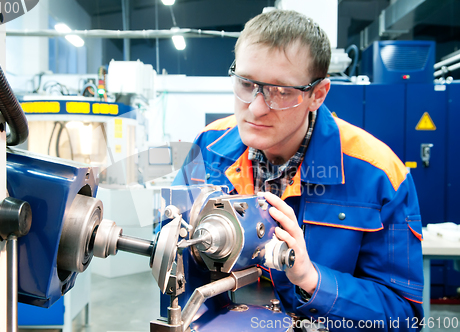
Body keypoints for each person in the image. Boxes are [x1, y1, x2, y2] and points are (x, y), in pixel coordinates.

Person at [173, 9, 424, 331]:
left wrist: (310, 277)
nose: (257, 107)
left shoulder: (379, 175)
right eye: (247, 84)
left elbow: (404, 317)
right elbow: (172, 249)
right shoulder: (208, 147)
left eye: (281, 91)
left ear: (317, 94)